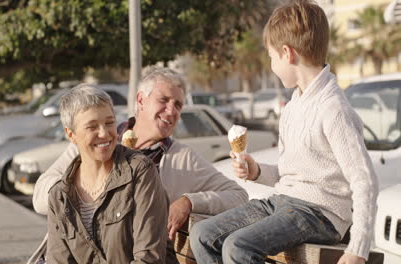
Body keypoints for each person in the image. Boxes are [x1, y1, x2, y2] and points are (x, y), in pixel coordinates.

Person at [189, 1, 379, 264]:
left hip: (321, 214)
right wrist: (257, 172)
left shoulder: (334, 109)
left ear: (288, 54)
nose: (271, 65)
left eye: (271, 57)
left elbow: (364, 180)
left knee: (238, 247)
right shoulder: (292, 107)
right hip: (284, 203)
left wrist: (358, 248)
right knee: (202, 234)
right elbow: (293, 173)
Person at [33, 67, 249, 263]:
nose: (172, 111)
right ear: (141, 100)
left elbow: (238, 195)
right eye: (163, 100)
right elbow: (41, 198)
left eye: (178, 105)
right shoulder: (99, 140)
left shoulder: (181, 158)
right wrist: (88, 188)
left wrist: (189, 201)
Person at [46, 84, 169, 263]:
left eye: (109, 123)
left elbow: (149, 258)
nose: (104, 133)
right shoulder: (59, 196)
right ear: (71, 134)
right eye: (92, 127)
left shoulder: (140, 172)